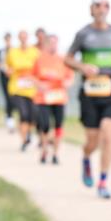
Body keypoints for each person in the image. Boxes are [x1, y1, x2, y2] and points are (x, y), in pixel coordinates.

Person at [65, 0, 111, 198]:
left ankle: (103, 181)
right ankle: (86, 157)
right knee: (93, 140)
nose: (102, 9)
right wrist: (82, 66)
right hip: (91, 90)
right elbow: (67, 59)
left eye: (106, 5)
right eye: (98, 6)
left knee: (108, 134)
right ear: (91, 9)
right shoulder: (83, 34)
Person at [33, 34, 74, 165]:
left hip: (59, 97)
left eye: (55, 43)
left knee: (58, 126)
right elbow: (31, 76)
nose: (53, 45)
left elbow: (70, 76)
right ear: (46, 44)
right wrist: (39, 84)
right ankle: (44, 150)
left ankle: (56, 154)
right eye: (50, 43)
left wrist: (68, 82)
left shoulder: (63, 59)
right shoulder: (39, 59)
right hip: (43, 98)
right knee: (44, 125)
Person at [5, 30, 41, 151]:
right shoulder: (12, 52)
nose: (23, 39)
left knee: (33, 115)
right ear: (19, 38)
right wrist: (9, 71)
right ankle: (24, 140)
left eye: (25, 37)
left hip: (32, 89)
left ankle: (28, 132)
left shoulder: (35, 52)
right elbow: (7, 67)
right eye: (21, 37)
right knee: (23, 114)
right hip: (17, 88)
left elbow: (39, 69)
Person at [0, 32, 16, 132]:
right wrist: (3, 68)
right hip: (4, 76)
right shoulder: (1, 51)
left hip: (14, 77)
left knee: (13, 97)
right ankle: (9, 118)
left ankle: (10, 116)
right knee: (7, 97)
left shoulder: (15, 50)